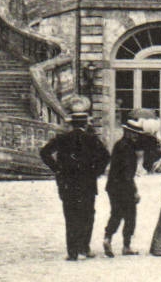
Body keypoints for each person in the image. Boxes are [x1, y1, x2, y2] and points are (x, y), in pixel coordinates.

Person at [39, 97, 109, 261]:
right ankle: (84, 247)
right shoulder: (92, 139)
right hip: (87, 183)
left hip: (67, 183)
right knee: (87, 215)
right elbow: (106, 156)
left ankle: (72, 252)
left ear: (71, 124)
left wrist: (57, 169)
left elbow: (44, 152)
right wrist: (96, 171)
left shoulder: (62, 139)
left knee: (70, 216)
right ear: (85, 124)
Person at [102, 114, 160, 257]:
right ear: (128, 133)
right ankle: (126, 246)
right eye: (135, 134)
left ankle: (107, 237)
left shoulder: (118, 144)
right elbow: (128, 173)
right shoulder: (128, 149)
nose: (136, 137)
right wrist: (134, 191)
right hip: (124, 186)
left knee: (116, 213)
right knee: (130, 215)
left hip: (112, 185)